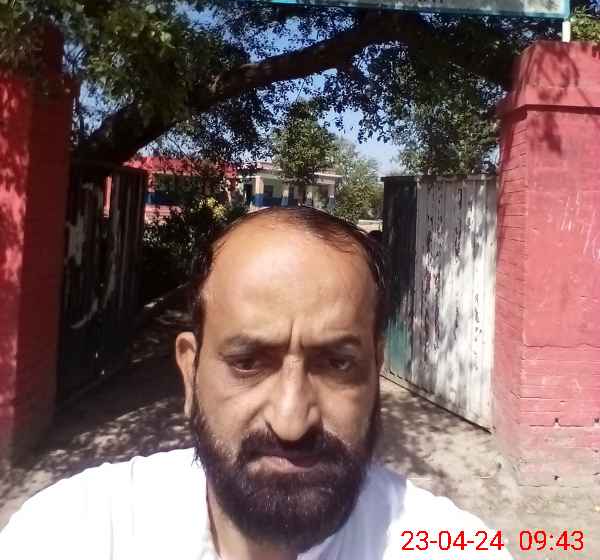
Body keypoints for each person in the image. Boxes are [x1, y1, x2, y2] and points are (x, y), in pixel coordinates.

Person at [0, 207, 513, 560]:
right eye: (247, 362)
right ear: (189, 372)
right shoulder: (76, 530)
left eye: (337, 363)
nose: (291, 421)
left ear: (375, 370)